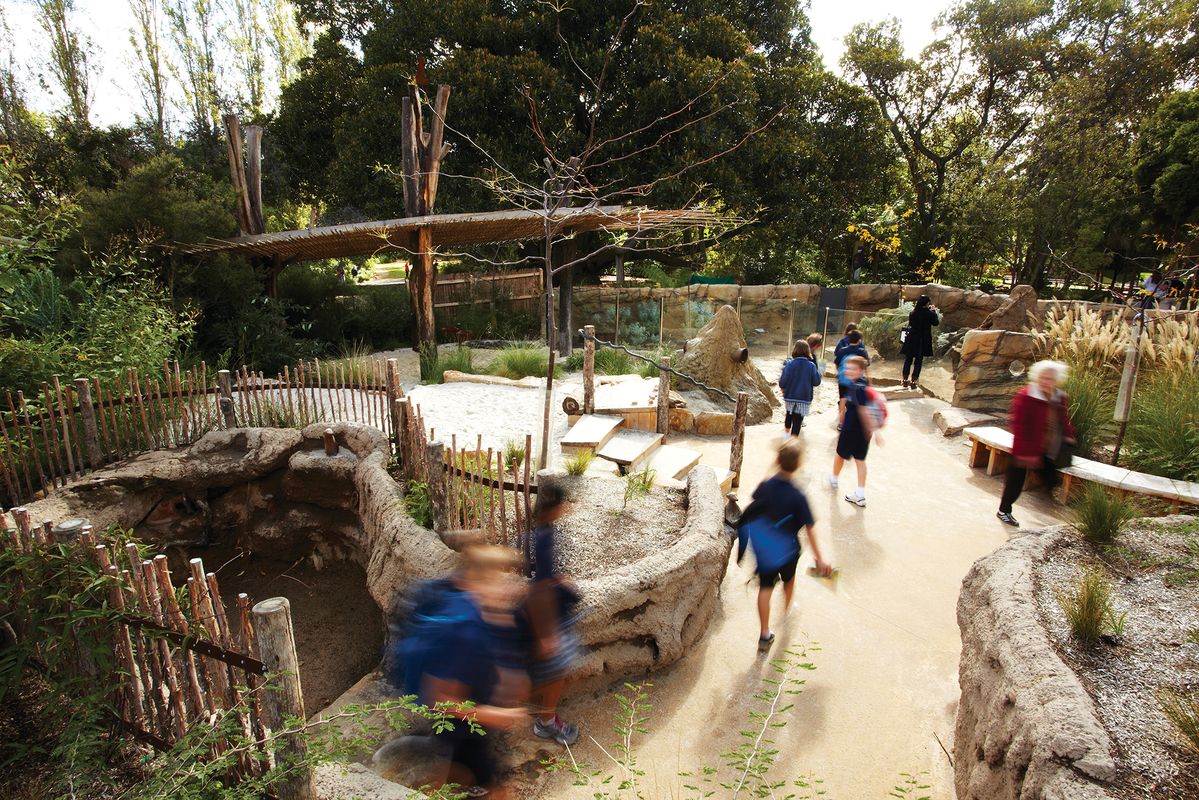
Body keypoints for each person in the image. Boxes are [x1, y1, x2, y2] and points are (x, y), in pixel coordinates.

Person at [407, 545, 530, 798]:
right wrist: (494, 715)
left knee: (464, 775)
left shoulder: (474, 607)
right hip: (462, 724)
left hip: (472, 720)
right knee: (487, 786)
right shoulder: (464, 631)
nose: (512, 587)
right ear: (481, 581)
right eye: (502, 578)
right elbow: (439, 699)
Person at [738, 440, 833, 651]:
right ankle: (785, 613)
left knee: (766, 588)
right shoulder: (799, 496)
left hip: (765, 550)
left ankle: (764, 634)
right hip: (788, 550)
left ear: (778, 460)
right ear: (798, 465)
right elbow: (809, 529)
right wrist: (819, 558)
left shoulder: (766, 485)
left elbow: (754, 503)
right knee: (789, 582)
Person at [523, 480, 581, 746]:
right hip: (542, 618)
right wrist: (545, 634)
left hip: (538, 614)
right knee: (557, 670)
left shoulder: (537, 533)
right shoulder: (545, 538)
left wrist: (557, 580)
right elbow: (539, 588)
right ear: (556, 507)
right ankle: (546, 722)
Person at [996, 360, 1076, 527]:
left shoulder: (1059, 397)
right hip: (1025, 448)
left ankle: (1046, 516)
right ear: (1037, 377)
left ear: (1057, 380)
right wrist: (1026, 452)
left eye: (1051, 378)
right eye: (1044, 378)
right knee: (1015, 483)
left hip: (1047, 449)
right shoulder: (1026, 396)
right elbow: (1018, 425)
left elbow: (1064, 420)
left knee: (1051, 480)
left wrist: (1069, 435)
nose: (1047, 382)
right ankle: (1004, 511)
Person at [830, 356, 878, 507]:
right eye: (848, 368)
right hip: (864, 433)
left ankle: (834, 478)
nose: (849, 371)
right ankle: (860, 493)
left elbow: (863, 411)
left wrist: (875, 431)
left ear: (862, 370)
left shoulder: (857, 387)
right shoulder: (864, 384)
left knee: (840, 455)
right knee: (860, 461)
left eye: (853, 368)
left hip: (852, 429)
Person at [779, 341, 822, 436]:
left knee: (789, 415)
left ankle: (785, 437)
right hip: (804, 398)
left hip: (790, 396)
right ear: (808, 351)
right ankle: (793, 444)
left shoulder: (789, 364)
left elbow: (783, 381)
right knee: (798, 421)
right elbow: (816, 382)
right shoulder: (811, 366)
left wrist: (783, 387)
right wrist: (819, 374)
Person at [901, 295, 940, 389]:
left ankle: (905, 380)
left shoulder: (913, 313)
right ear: (927, 304)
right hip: (922, 340)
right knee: (918, 361)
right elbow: (936, 323)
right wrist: (934, 311)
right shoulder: (930, 314)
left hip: (911, 338)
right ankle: (914, 382)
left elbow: (910, 324)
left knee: (908, 360)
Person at [834, 330, 869, 428]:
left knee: (842, 399)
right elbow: (866, 365)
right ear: (859, 340)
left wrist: (840, 374)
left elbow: (836, 364)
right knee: (857, 401)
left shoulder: (843, 350)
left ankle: (841, 423)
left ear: (848, 339)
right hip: (857, 380)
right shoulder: (862, 351)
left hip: (843, 379)